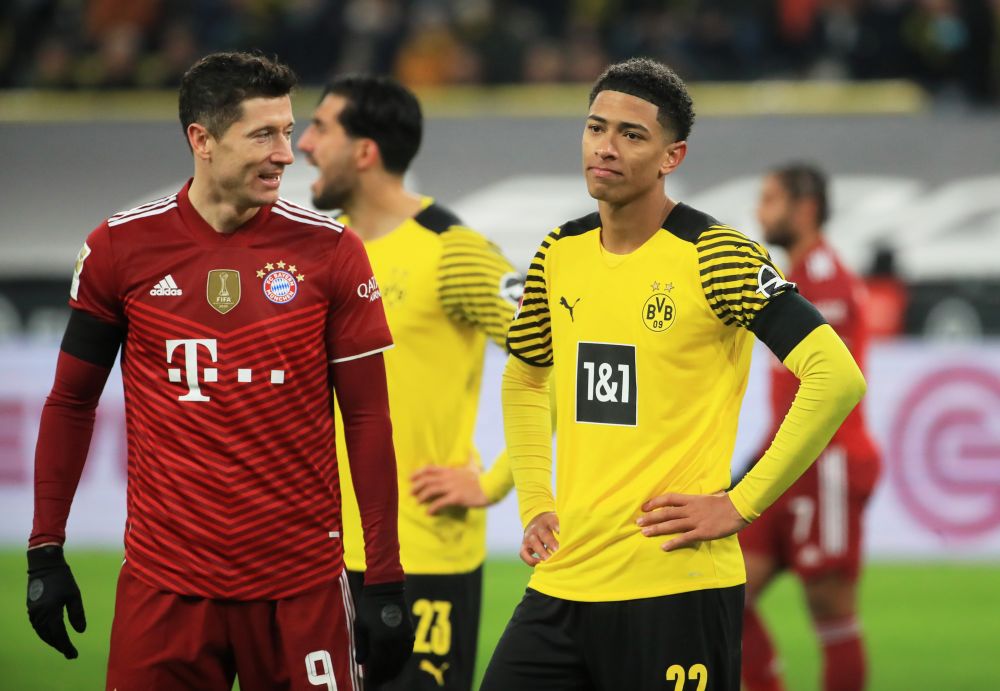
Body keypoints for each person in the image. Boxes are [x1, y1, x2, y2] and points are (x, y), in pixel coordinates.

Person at [25, 52, 413, 691]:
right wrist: (45, 548)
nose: (287, 154)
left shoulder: (332, 251)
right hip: (165, 588)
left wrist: (386, 575)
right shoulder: (119, 249)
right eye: (264, 135)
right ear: (201, 140)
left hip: (302, 588)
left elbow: (368, 418)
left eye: (288, 132)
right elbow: (70, 402)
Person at [480, 57, 867, 691]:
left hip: (673, 587)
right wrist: (535, 503)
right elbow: (525, 377)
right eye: (595, 127)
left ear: (671, 156)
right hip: (563, 581)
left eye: (631, 135)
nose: (605, 147)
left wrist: (739, 506)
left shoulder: (717, 255)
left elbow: (835, 375)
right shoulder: (559, 253)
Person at [297, 74, 520, 691]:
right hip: (315, 556)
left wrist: (496, 482)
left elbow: (555, 360)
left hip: (422, 553)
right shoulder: (314, 255)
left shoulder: (454, 251)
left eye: (320, 128)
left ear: (365, 152)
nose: (302, 145)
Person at [740, 163, 881, 691]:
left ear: (805, 208)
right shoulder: (792, 277)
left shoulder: (827, 279)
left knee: (829, 606)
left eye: (771, 199)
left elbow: (830, 390)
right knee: (725, 589)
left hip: (828, 462)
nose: (760, 211)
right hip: (785, 458)